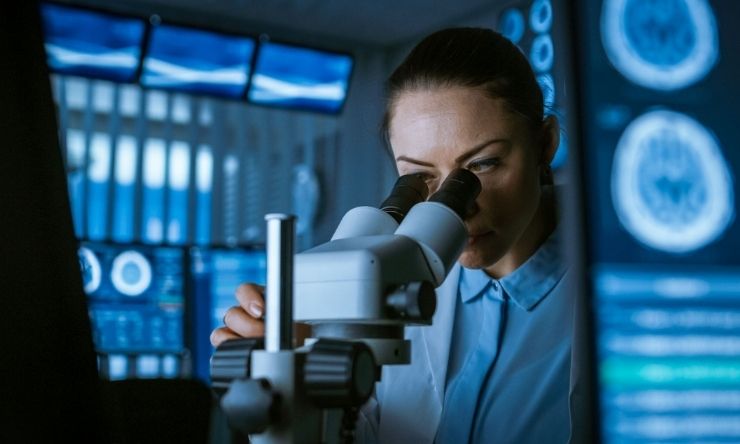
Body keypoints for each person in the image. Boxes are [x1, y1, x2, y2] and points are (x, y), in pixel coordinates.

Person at [211, 27, 583, 443]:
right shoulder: (391, 279)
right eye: (420, 177)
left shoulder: (623, 285)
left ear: (546, 144)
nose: (458, 207)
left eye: (482, 165)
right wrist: (291, 375)